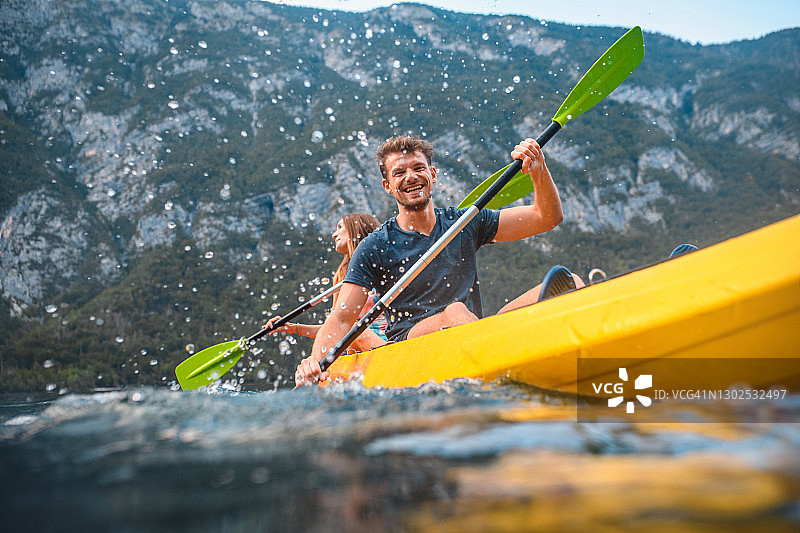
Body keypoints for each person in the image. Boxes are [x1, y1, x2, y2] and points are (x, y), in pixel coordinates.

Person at [296, 135, 583, 385]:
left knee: (573, 283)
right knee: (454, 311)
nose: (410, 176)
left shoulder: (466, 222)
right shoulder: (375, 246)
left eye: (418, 168)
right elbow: (343, 316)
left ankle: (566, 357)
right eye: (399, 173)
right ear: (387, 185)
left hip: (470, 333)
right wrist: (315, 362)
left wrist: (538, 170)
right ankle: (503, 356)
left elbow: (547, 217)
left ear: (432, 174)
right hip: (408, 348)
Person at [263, 212, 387, 351]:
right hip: (360, 352)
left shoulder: (385, 263)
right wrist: (292, 328)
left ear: (359, 228)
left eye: (340, 227)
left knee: (354, 330)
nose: (334, 234)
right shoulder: (341, 277)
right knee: (351, 330)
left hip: (390, 346)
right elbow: (334, 330)